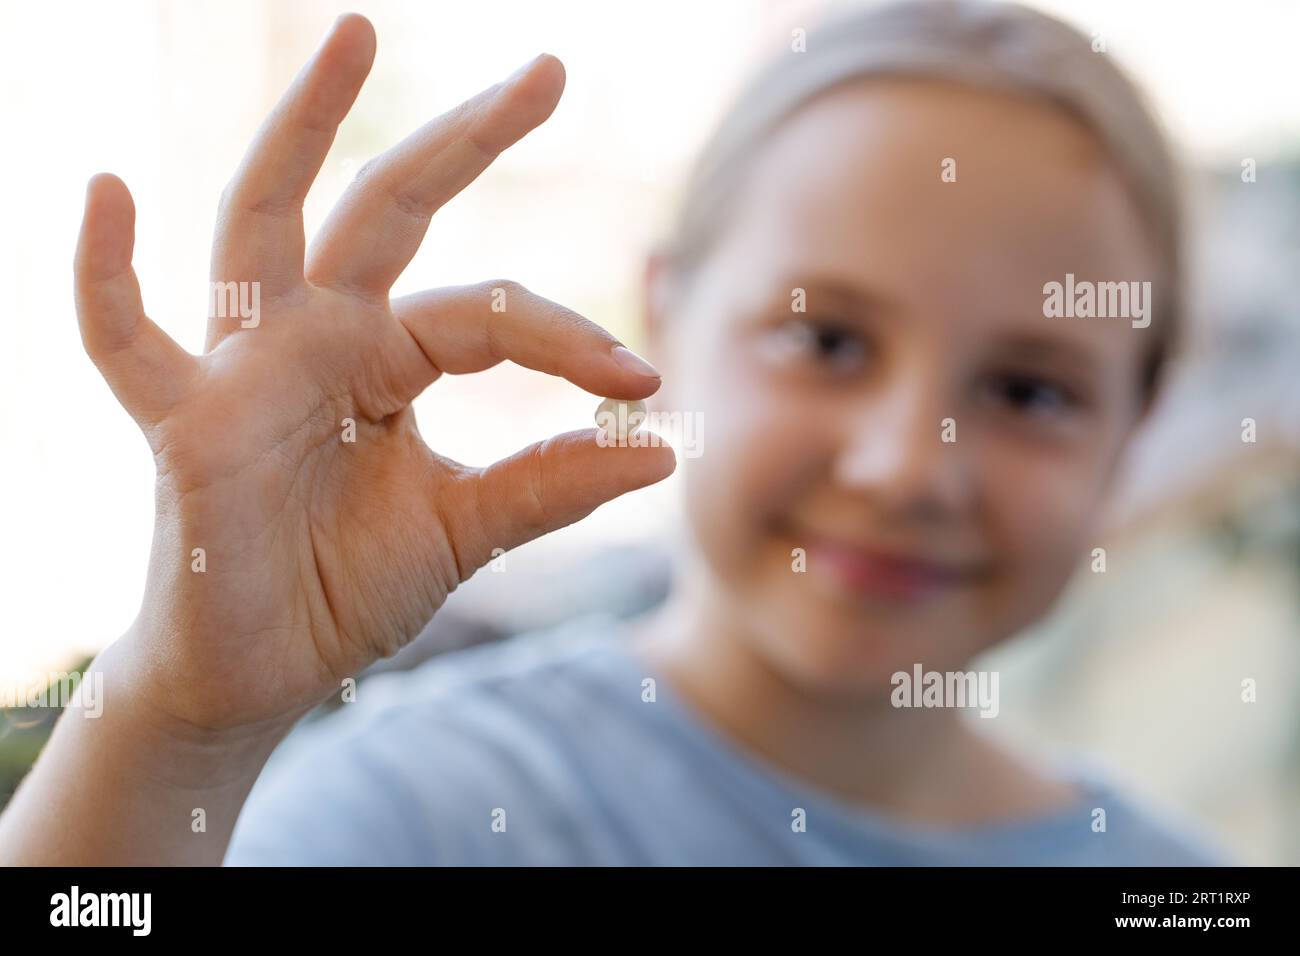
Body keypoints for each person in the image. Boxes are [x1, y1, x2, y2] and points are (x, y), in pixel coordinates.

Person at [0, 0, 1229, 865]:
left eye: (1029, 390)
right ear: (666, 318)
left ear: (1138, 419)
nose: (905, 463)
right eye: (827, 341)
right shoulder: (429, 806)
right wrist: (177, 727)